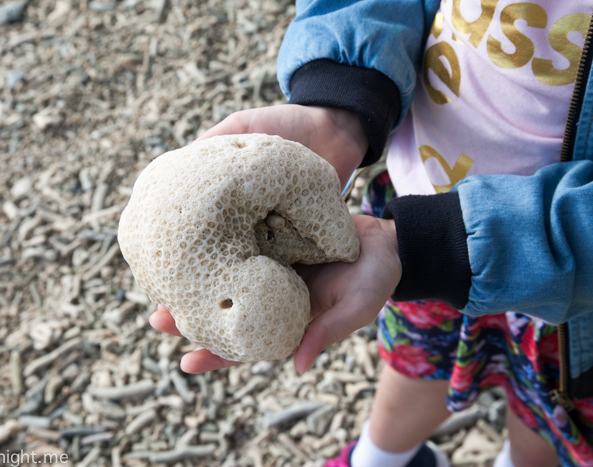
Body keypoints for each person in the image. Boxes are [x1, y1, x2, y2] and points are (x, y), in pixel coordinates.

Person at [150, 1, 593, 466]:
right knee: (414, 361)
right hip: (414, 217)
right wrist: (342, 102)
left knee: (543, 405)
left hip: (568, 289)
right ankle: (380, 458)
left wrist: (434, 244)